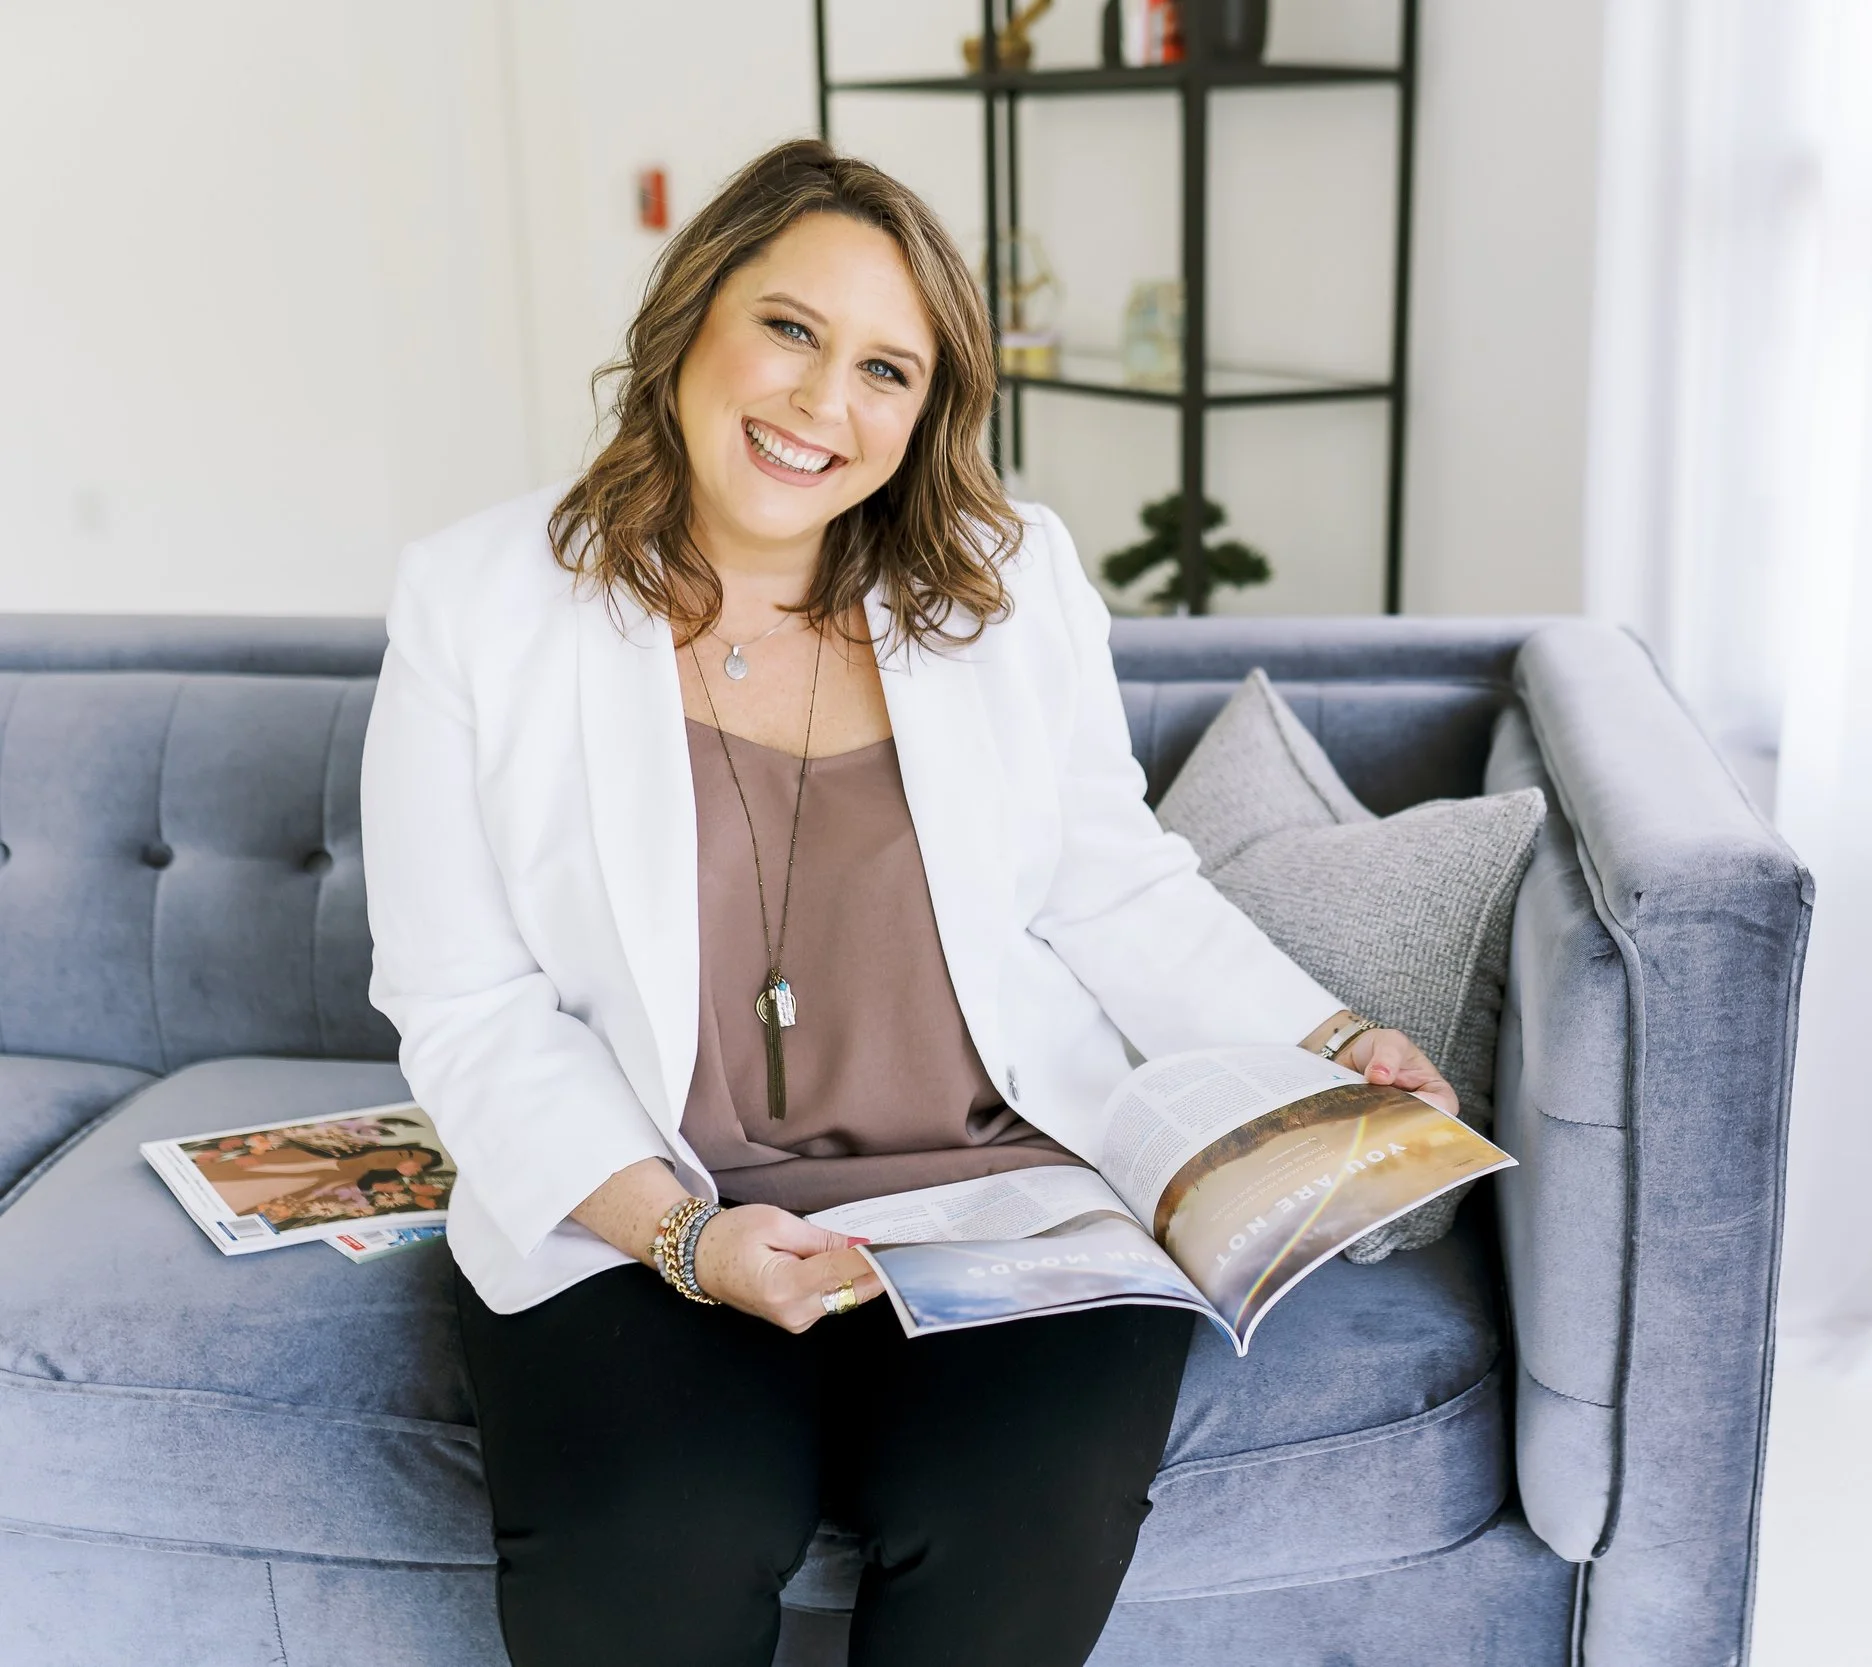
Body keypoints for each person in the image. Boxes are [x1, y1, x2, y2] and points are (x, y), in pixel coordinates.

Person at [360, 139, 1455, 1667]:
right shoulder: (478, 601)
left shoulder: (1007, 578)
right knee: (658, 1545)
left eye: (888, 368)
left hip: (1002, 1205)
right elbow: (466, 1005)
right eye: (791, 330)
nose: (825, 405)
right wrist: (688, 1240)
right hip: (657, 1216)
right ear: (693, 313)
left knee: (1027, 1518)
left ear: (928, 411)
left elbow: (1110, 877)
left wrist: (1330, 1034)